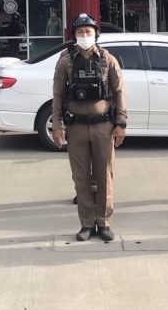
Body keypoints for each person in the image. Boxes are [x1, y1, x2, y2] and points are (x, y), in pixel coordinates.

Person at [51, 13, 127, 242]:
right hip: (76, 128)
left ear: (95, 34)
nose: (84, 35)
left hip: (103, 126)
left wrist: (121, 123)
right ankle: (86, 224)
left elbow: (119, 91)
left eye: (88, 31)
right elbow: (57, 94)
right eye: (80, 32)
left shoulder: (107, 59)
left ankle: (103, 222)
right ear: (73, 35)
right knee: (81, 178)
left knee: (104, 176)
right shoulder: (66, 61)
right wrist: (56, 125)